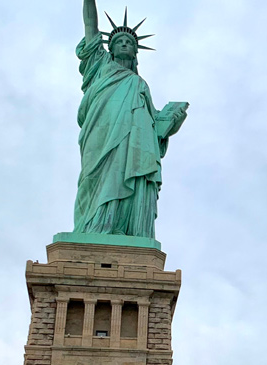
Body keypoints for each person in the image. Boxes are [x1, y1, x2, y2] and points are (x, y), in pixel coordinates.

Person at [73, 0, 188, 239]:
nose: (124, 44)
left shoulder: (140, 84)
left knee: (129, 177)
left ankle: (124, 228)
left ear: (136, 52)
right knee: (92, 180)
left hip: (134, 144)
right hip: (101, 133)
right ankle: (92, 228)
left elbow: (152, 123)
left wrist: (170, 121)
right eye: (119, 42)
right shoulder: (100, 65)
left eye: (129, 43)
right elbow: (90, 24)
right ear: (110, 49)